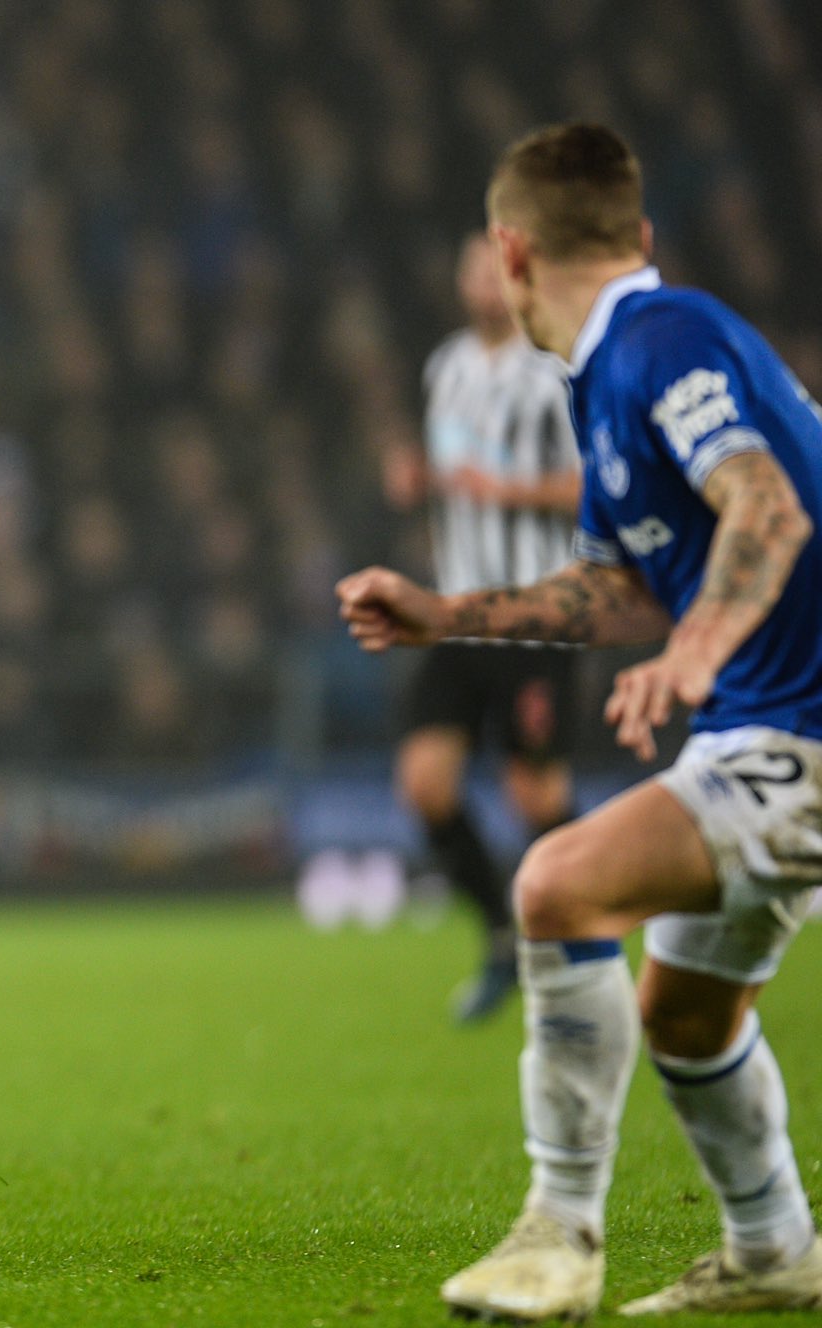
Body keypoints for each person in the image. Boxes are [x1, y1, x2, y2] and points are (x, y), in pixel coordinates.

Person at [340, 122, 822, 1318]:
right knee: (685, 1014)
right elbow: (618, 591)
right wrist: (445, 614)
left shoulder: (664, 339)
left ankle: (555, 1233)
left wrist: (691, 655)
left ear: (509, 251)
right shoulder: (610, 370)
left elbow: (765, 507)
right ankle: (773, 1247)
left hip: (797, 726)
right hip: (760, 721)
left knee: (555, 884)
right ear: (634, 233)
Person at [384, 231, 583, 1023]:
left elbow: (593, 486)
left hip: (535, 616)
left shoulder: (557, 371)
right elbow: (453, 478)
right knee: (424, 783)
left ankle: (588, 928)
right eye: (475, 269)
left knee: (535, 794)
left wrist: (505, 490)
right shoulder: (447, 368)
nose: (486, 284)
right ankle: (503, 934)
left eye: (500, 271)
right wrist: (419, 481)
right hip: (459, 615)